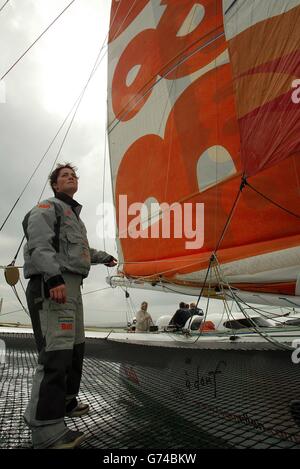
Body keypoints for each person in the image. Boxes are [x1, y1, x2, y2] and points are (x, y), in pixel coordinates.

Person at [22, 163, 117, 449]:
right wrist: (53, 278)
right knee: (55, 354)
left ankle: (65, 402)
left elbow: (80, 252)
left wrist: (104, 257)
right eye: (65, 175)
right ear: (54, 184)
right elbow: (38, 242)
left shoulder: (75, 218)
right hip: (55, 287)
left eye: (74, 175)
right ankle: (45, 431)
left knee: (74, 349)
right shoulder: (47, 207)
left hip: (72, 289)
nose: (71, 178)